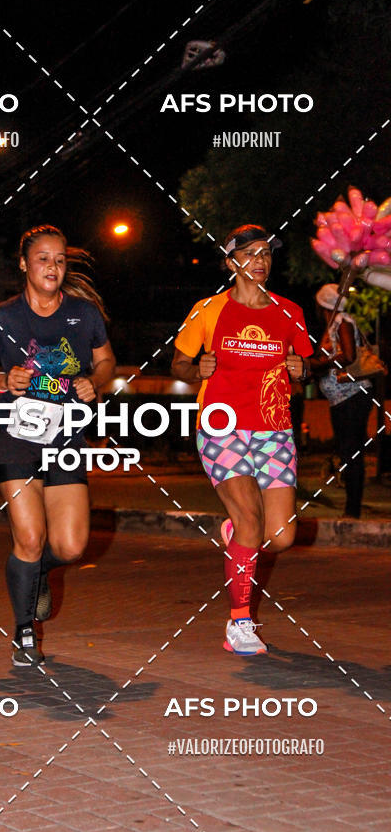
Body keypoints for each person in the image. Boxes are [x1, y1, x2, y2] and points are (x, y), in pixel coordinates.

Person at [0, 225, 116, 667]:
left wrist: (94, 381)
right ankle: (25, 630)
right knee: (28, 537)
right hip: (17, 436)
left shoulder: (84, 314)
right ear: (24, 264)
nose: (53, 266)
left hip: (66, 434)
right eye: (43, 258)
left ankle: (37, 572)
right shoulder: (2, 318)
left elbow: (105, 360)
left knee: (70, 547)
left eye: (61, 259)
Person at [171, 225, 313, 655]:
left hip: (274, 428)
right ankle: (240, 623)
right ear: (230, 262)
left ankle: (236, 530)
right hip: (222, 424)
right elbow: (178, 363)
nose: (261, 261)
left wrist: (300, 371)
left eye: (266, 253)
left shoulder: (290, 311)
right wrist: (199, 370)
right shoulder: (208, 311)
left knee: (283, 536)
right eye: (251, 253)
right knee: (254, 522)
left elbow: (307, 371)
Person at [310, 283, 373, 519]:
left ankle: (352, 510)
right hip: (342, 399)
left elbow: (348, 356)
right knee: (348, 452)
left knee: (351, 453)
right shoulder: (334, 324)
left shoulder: (341, 321)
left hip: (351, 397)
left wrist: (321, 364)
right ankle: (352, 507)